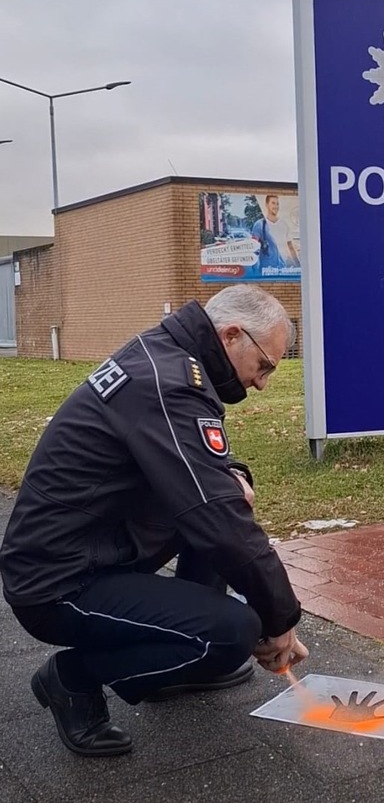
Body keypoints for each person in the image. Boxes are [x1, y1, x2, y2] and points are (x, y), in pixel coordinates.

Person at [0, 286, 308, 758]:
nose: (263, 382)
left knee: (219, 505)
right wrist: (279, 620)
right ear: (230, 335)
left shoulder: (166, 358)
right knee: (233, 630)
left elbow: (192, 469)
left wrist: (232, 480)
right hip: (56, 583)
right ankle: (71, 680)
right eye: (264, 365)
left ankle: (183, 651)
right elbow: (220, 522)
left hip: (90, 546)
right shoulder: (171, 383)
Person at [251, 194, 300, 272]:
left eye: (277, 204)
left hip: (283, 269)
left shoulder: (284, 224)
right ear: (267, 205)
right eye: (273, 203)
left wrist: (299, 266)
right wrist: (254, 270)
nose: (276, 206)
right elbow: (253, 248)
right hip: (266, 270)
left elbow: (290, 247)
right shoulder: (259, 225)